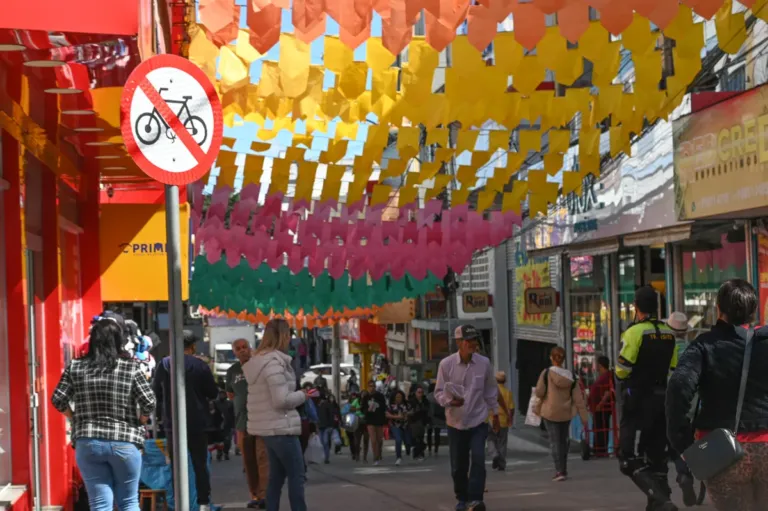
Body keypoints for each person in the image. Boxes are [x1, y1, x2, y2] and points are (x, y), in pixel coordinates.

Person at [667, 280, 768, 510]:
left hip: (720, 450)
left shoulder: (704, 346)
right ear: (753, 311)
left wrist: (682, 441)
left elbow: (679, 386)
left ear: (719, 309)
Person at [52, 317, 156, 511]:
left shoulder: (76, 367)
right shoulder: (130, 367)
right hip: (125, 440)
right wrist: (141, 420)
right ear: (118, 341)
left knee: (99, 503)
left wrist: (73, 418)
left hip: (88, 441)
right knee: (129, 502)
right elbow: (149, 401)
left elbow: (58, 399)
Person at [615, 286, 678, 511]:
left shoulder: (634, 332)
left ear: (636, 307)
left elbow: (622, 369)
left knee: (627, 457)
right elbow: (673, 367)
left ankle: (659, 498)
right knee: (656, 456)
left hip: (638, 400)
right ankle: (661, 501)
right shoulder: (670, 332)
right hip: (662, 399)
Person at [243, 319, 308, 511]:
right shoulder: (274, 364)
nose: (290, 339)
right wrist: (304, 395)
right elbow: (281, 400)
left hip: (267, 429)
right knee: (297, 475)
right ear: (283, 336)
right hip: (281, 427)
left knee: (276, 478)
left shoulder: (259, 362)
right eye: (288, 334)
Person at [434, 325, 499, 511]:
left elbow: (490, 390)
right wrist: (449, 401)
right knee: (458, 466)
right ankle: (462, 497)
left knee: (478, 458)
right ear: (459, 342)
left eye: (474, 340)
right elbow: (438, 392)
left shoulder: (484, 363)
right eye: (468, 340)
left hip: (478, 420)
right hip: (455, 422)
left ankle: (476, 499)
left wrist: (494, 413)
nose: (472, 344)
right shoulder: (446, 365)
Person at [153, 330, 219, 511]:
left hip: (172, 423)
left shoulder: (164, 364)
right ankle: (204, 502)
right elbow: (212, 393)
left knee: (176, 464)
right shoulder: (201, 366)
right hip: (198, 422)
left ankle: (178, 502)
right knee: (200, 464)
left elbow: (155, 393)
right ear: (193, 346)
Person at [534, 346, 589, 482]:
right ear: (563, 359)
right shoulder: (571, 376)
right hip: (565, 412)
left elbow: (539, 392)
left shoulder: (546, 373)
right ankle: (563, 469)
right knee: (563, 441)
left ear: (552, 358)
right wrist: (584, 417)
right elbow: (578, 398)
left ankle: (559, 471)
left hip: (550, 411)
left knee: (555, 442)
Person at [226, 338, 268, 509]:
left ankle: (265, 495)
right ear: (234, 352)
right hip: (242, 423)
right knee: (248, 462)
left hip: (261, 420)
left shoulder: (259, 365)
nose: (242, 350)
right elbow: (230, 394)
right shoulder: (232, 371)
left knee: (262, 458)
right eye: (238, 348)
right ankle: (255, 495)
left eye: (245, 347)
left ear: (251, 349)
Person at [663, 312, 698, 507]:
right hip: (693, 403)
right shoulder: (694, 349)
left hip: (672, 404)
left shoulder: (666, 351)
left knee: (676, 444)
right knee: (696, 439)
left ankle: (684, 474)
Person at [488, 372, 515, 471]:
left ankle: (494, 454)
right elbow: (511, 408)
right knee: (502, 442)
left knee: (491, 439)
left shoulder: (491, 391)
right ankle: (502, 464)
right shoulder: (508, 392)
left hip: (491, 420)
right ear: (505, 381)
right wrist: (510, 418)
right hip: (503, 420)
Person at [588, 356, 613, 457]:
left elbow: (608, 391)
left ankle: (600, 449)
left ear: (600, 365)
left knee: (601, 427)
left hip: (601, 408)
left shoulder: (607, 376)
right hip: (598, 408)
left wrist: (600, 403)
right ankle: (598, 448)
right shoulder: (603, 376)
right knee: (598, 427)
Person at [361, 380, 387, 465]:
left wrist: (378, 407)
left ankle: (379, 453)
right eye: (370, 386)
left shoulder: (380, 396)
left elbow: (384, 407)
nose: (372, 388)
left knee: (379, 439)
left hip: (379, 420)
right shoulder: (366, 397)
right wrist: (366, 411)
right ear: (368, 387)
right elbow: (362, 408)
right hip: (370, 420)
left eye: (373, 386)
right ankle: (375, 458)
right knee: (373, 440)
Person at [387, 390, 411, 466]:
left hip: (405, 425)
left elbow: (411, 412)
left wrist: (407, 414)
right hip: (395, 425)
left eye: (400, 397)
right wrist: (397, 417)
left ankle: (408, 450)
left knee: (408, 442)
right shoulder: (391, 406)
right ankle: (398, 457)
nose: (399, 398)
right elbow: (387, 415)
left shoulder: (406, 405)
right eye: (397, 397)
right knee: (398, 439)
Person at [409, 386, 430, 461]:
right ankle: (417, 453)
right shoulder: (412, 401)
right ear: (415, 393)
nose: (420, 394)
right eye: (418, 392)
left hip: (422, 421)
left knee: (421, 437)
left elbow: (427, 411)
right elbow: (410, 411)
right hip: (414, 421)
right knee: (416, 437)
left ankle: (420, 453)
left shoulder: (425, 401)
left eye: (421, 392)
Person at [317, 391, 337, 464]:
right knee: (322, 442)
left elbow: (331, 415)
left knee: (325, 442)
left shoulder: (327, 405)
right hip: (321, 426)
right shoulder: (318, 405)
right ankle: (325, 457)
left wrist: (331, 426)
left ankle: (326, 458)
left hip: (326, 426)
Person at [427, 381, 445, 455]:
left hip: (429, 417)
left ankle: (429, 448)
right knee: (437, 434)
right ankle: (436, 449)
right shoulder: (439, 397)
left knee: (429, 433)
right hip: (438, 417)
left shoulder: (427, 397)